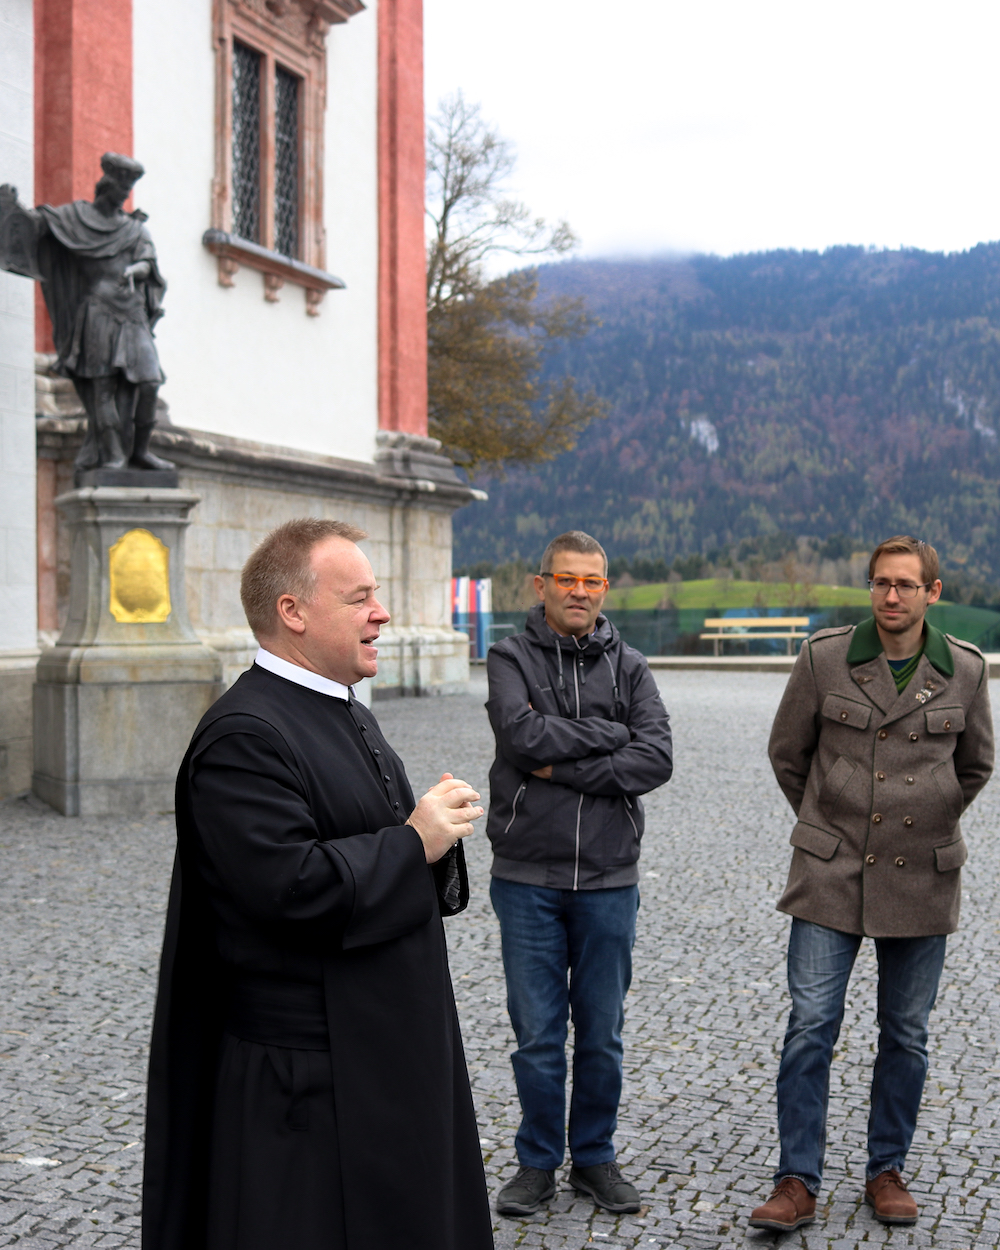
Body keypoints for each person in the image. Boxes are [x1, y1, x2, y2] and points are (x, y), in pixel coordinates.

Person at [142, 518, 494, 1250]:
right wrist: (414, 840)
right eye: (359, 597)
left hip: (380, 1057)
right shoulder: (245, 736)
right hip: (308, 1090)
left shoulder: (339, 707)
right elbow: (287, 888)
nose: (382, 613)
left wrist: (426, 833)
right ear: (292, 613)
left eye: (378, 595)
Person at [750, 535, 993, 1233]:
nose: (892, 596)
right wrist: (831, 825)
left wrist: (918, 824)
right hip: (829, 874)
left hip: (922, 876)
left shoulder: (966, 672)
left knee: (907, 1035)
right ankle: (796, 1179)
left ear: (932, 593)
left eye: (906, 586)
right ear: (871, 588)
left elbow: (974, 765)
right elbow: (786, 752)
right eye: (882, 583)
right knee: (809, 1029)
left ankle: (887, 1169)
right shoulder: (824, 658)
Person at [484, 530, 673, 1217]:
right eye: (566, 579)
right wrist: (610, 734)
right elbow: (519, 737)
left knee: (601, 1032)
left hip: (607, 879)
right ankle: (536, 1162)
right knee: (536, 1037)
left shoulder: (632, 668)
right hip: (526, 877)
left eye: (591, 581)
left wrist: (560, 762)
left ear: (604, 589)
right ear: (541, 585)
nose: (579, 592)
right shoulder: (508, 657)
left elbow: (655, 759)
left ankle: (593, 1157)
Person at [0, 152, 173, 473]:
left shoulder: (135, 229)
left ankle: (140, 451)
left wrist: (136, 268)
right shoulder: (76, 219)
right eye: (119, 192)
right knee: (102, 388)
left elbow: (148, 262)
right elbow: (39, 228)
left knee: (149, 381)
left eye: (127, 193)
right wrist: (9, 210)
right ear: (105, 188)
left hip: (132, 316)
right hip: (97, 312)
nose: (123, 199)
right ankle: (112, 455)